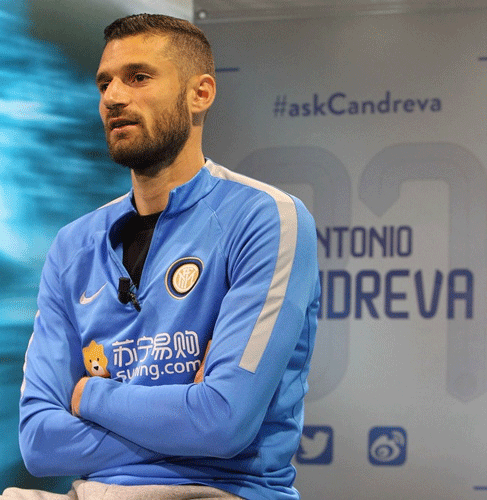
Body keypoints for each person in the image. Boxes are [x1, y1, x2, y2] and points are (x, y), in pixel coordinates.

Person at [3, 13, 320, 500]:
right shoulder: (72, 244)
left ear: (201, 93)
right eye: (104, 83)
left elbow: (222, 423)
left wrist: (88, 394)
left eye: (138, 77)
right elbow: (40, 443)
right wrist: (183, 417)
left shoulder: (266, 218)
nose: (113, 97)